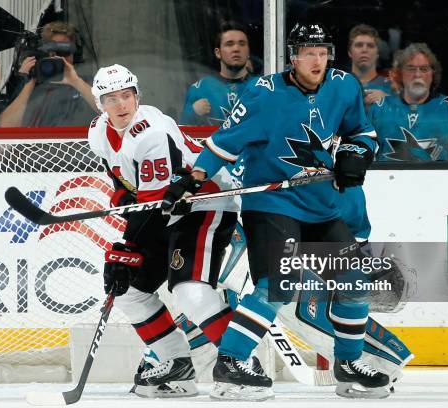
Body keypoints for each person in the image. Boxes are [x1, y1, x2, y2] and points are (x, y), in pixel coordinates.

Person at [162, 22, 390, 400]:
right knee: (278, 287)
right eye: (308, 53)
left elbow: (361, 132)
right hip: (272, 205)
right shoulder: (263, 94)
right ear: (293, 57)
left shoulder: (344, 85)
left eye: (322, 53)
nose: (317, 61)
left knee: (354, 283)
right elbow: (222, 144)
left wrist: (356, 154)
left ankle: (348, 364)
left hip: (320, 205)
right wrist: (192, 179)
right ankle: (232, 360)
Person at [88, 64, 240, 397]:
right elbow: (124, 184)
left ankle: (240, 365)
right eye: (111, 99)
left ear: (137, 95)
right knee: (128, 289)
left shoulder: (151, 132)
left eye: (127, 96)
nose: (121, 105)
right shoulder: (98, 131)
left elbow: (152, 207)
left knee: (190, 291)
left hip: (205, 202)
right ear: (100, 104)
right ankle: (177, 365)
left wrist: (127, 247)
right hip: (164, 211)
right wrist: (121, 209)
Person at [369, 43, 448, 161]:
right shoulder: (379, 108)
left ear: (433, 74)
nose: (417, 75)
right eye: (411, 69)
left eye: (424, 69)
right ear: (400, 73)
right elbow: (366, 158)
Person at [0, 21, 96, 127]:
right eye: (54, 52)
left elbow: (108, 111)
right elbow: (6, 128)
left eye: (65, 51)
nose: (60, 58)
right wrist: (29, 81)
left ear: (74, 54)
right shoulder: (31, 87)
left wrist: (75, 81)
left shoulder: (86, 83)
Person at [179, 21, 253, 126]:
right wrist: (193, 112)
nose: (236, 49)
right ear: (218, 53)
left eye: (242, 44)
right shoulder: (200, 89)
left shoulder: (261, 88)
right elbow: (182, 132)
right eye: (229, 44)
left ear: (248, 51)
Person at [347, 24, 392, 107]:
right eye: (359, 45)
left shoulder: (392, 87)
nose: (364, 50)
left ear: (377, 53)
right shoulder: (337, 85)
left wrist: (388, 101)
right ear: (350, 52)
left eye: (370, 46)